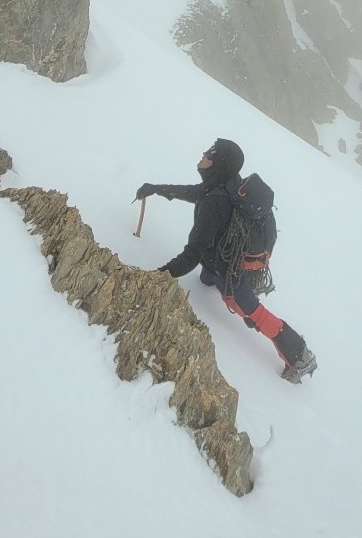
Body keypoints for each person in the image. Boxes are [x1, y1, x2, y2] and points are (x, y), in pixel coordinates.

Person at [136, 138, 317, 383]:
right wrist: (157, 188)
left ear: (218, 163)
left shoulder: (215, 203)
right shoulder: (225, 183)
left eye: (210, 153)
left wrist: (158, 275)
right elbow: (194, 193)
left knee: (251, 311)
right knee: (207, 277)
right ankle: (215, 276)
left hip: (229, 267)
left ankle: (299, 356)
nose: (203, 154)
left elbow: (193, 255)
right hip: (221, 257)